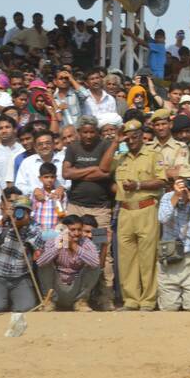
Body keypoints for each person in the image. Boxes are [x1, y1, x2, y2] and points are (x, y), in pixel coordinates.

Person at [62, 116, 116, 310]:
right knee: (70, 250)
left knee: (103, 252)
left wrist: (81, 170)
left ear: (97, 132)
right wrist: (94, 168)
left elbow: (106, 172)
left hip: (100, 211)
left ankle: (106, 297)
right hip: (75, 208)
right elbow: (66, 174)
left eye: (92, 131)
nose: (88, 135)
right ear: (79, 132)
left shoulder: (105, 146)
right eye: (84, 131)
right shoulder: (73, 147)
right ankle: (75, 298)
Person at [112, 119, 165, 311]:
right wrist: (115, 142)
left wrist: (138, 185)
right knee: (126, 259)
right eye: (128, 136)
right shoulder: (120, 156)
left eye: (135, 136)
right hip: (125, 209)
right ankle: (131, 300)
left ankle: (148, 300)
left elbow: (161, 180)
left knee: (147, 258)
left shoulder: (152, 155)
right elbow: (104, 168)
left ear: (142, 136)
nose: (132, 140)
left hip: (146, 208)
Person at [157, 165, 190, 311]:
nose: (188, 185)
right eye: (185, 181)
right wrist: (176, 195)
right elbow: (163, 218)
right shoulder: (167, 198)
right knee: (169, 308)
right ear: (177, 182)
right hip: (170, 259)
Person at [0, 192, 44, 313]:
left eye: (25, 211)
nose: (20, 214)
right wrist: (5, 221)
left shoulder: (34, 227)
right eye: (18, 210)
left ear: (29, 213)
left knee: (25, 308)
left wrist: (23, 228)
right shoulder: (2, 224)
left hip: (20, 277)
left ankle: (14, 298)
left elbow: (38, 246)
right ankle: (2, 298)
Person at [35, 214, 101, 311]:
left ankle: (81, 302)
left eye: (79, 229)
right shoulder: (53, 240)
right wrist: (59, 246)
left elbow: (96, 263)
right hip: (56, 288)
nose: (77, 233)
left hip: (76, 288)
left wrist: (74, 247)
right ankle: (49, 301)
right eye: (72, 230)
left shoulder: (85, 242)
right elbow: (40, 263)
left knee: (94, 266)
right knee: (45, 263)